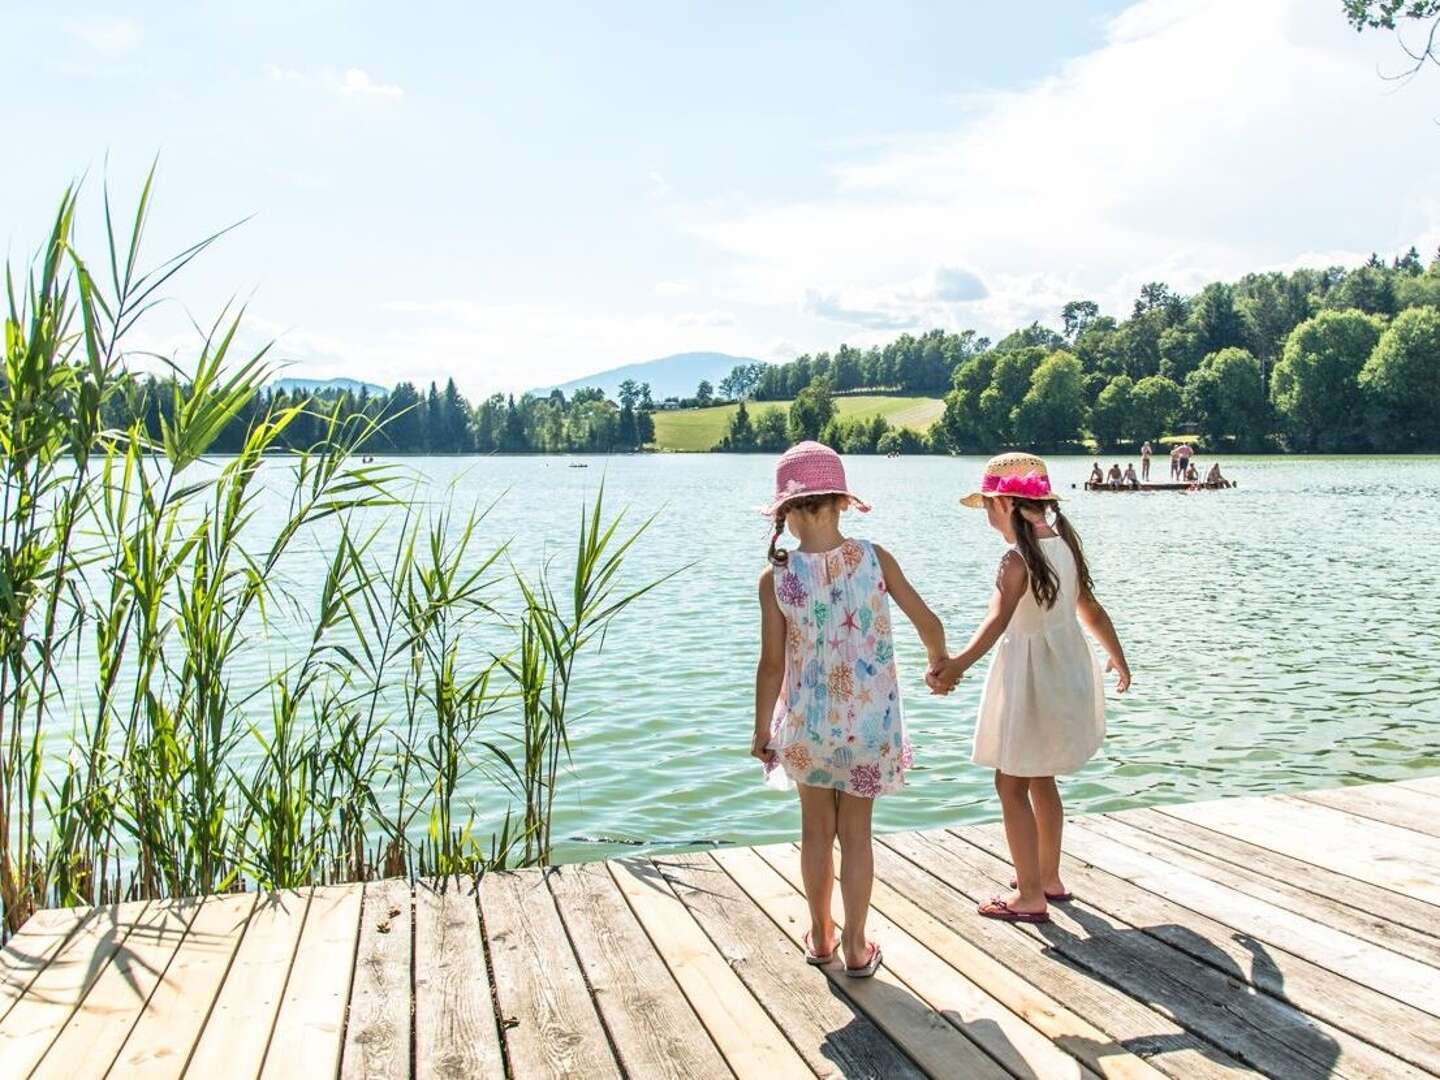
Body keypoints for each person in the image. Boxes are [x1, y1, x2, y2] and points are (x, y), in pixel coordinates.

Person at [753, 441, 946, 977]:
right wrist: (938, 665)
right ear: (841, 502)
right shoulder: (875, 558)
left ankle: (820, 937)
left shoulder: (776, 578)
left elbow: (771, 666)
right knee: (856, 834)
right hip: (869, 726)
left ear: (788, 512)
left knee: (816, 831)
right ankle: (858, 946)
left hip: (806, 727)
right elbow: (928, 621)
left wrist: (759, 730)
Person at [928, 452, 1130, 923]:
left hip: (1031, 680)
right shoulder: (1064, 547)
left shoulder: (1016, 560)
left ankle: (1030, 898)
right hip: (1064, 674)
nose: (985, 515)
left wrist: (956, 665)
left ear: (1005, 506)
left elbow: (997, 623)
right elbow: (1092, 611)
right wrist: (1117, 657)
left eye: (986, 506)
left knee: (1010, 783)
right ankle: (1048, 877)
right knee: (1041, 777)